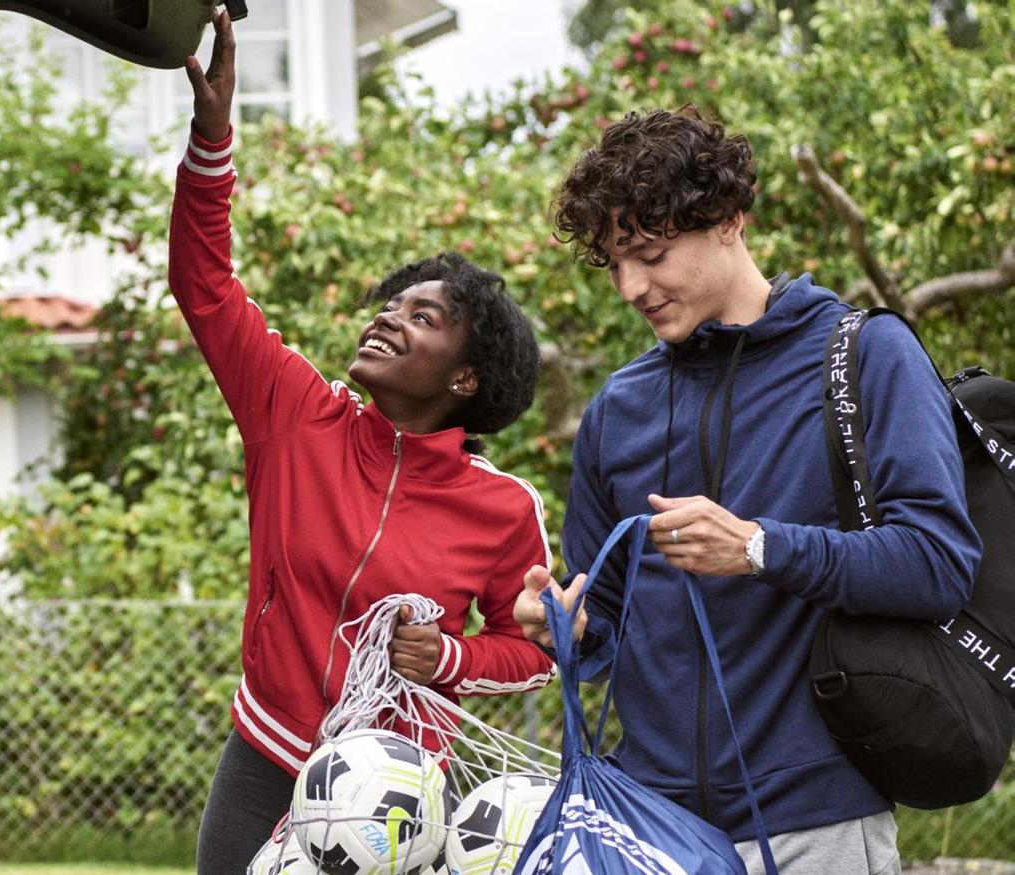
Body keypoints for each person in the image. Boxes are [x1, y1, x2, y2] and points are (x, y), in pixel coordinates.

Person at [514, 108, 983, 875]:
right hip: (649, 827)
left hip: (819, 821)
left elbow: (939, 562)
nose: (632, 286)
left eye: (652, 253)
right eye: (614, 262)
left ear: (730, 219)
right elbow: (606, 624)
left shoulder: (866, 356)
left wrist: (760, 548)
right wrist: (569, 622)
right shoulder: (617, 411)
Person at [177, 11, 557, 872]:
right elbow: (205, 285)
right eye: (392, 302)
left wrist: (450, 655)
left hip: (397, 790)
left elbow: (532, 652)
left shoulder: (502, 507)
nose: (389, 315)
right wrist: (212, 142)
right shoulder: (295, 415)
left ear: (466, 378)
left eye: (423, 316)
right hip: (265, 761)